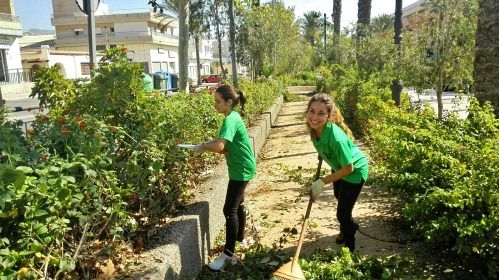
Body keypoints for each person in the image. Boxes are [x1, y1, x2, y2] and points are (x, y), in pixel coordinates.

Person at [193, 84, 256, 271]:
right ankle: (239, 240)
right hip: (243, 165)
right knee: (239, 206)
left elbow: (220, 146)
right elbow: (226, 147)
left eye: (218, 101)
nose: (215, 105)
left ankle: (228, 255)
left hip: (241, 169)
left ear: (229, 102)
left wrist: (203, 146)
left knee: (229, 210)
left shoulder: (230, 120)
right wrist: (207, 145)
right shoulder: (233, 116)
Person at [306, 93, 368, 252]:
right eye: (312, 111)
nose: (314, 117)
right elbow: (324, 146)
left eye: (321, 113)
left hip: (354, 172)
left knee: (342, 214)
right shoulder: (314, 129)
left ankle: (350, 247)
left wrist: (322, 181)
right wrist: (323, 151)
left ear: (329, 115)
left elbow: (349, 168)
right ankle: (346, 228)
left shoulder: (336, 138)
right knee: (338, 196)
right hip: (339, 166)